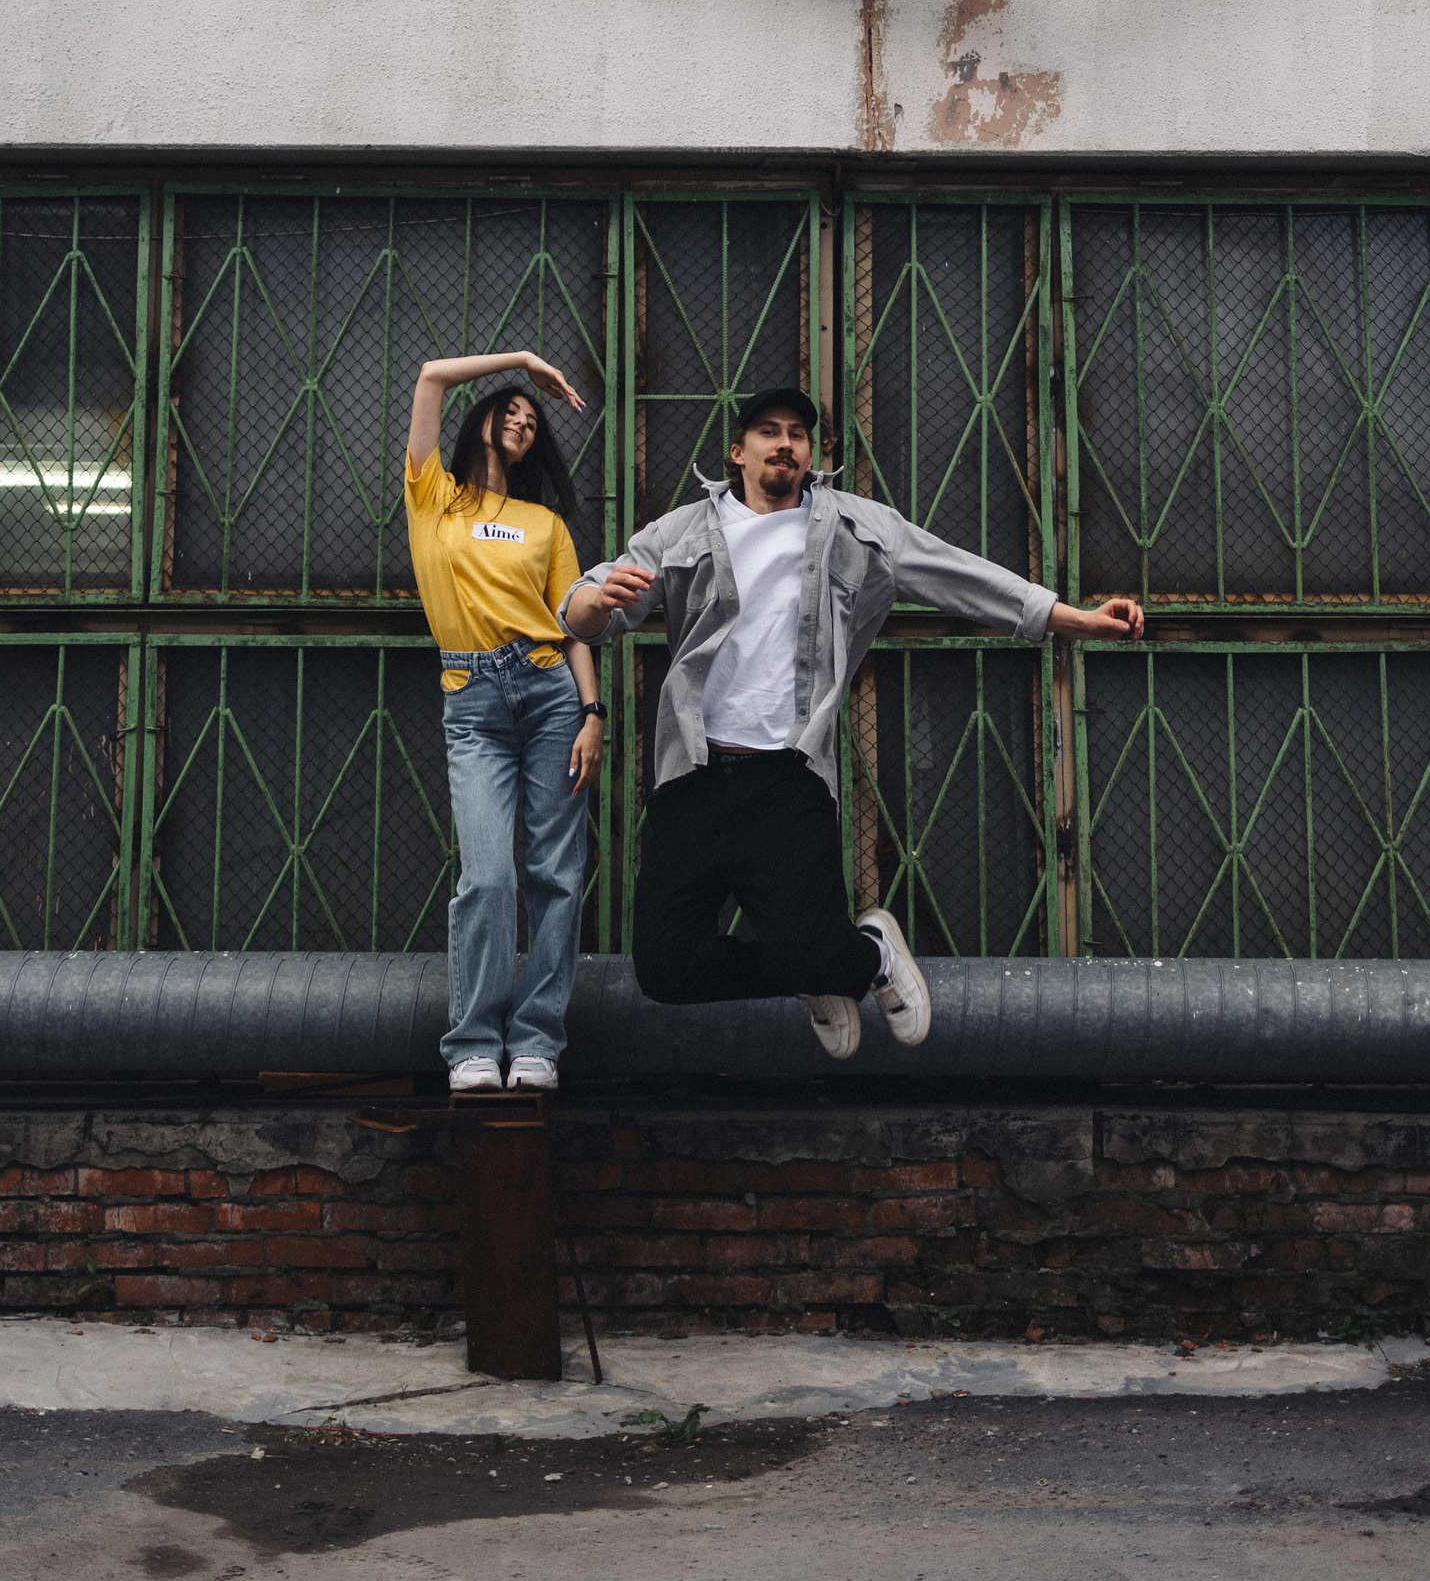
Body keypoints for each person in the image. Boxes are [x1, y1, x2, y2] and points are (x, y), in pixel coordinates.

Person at [561, 386, 1143, 1059]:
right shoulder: (681, 531)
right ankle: (849, 967)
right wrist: (595, 602)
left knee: (808, 946)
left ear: (810, 453)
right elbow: (582, 609)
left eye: (798, 434)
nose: (785, 444)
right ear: (737, 451)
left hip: (787, 775)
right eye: (769, 431)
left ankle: (842, 959)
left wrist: (1073, 619)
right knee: (665, 970)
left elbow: (959, 575)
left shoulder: (857, 527)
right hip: (691, 774)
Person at [404, 349, 602, 1093]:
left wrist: (593, 713)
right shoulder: (434, 496)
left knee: (556, 875)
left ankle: (539, 1042)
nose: (522, 422)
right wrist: (520, 363)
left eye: (531, 420)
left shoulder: (545, 524)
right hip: (473, 701)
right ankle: (474, 1045)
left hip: (551, 694)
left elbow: (572, 625)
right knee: (487, 877)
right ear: (483, 419)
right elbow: (431, 376)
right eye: (509, 411)